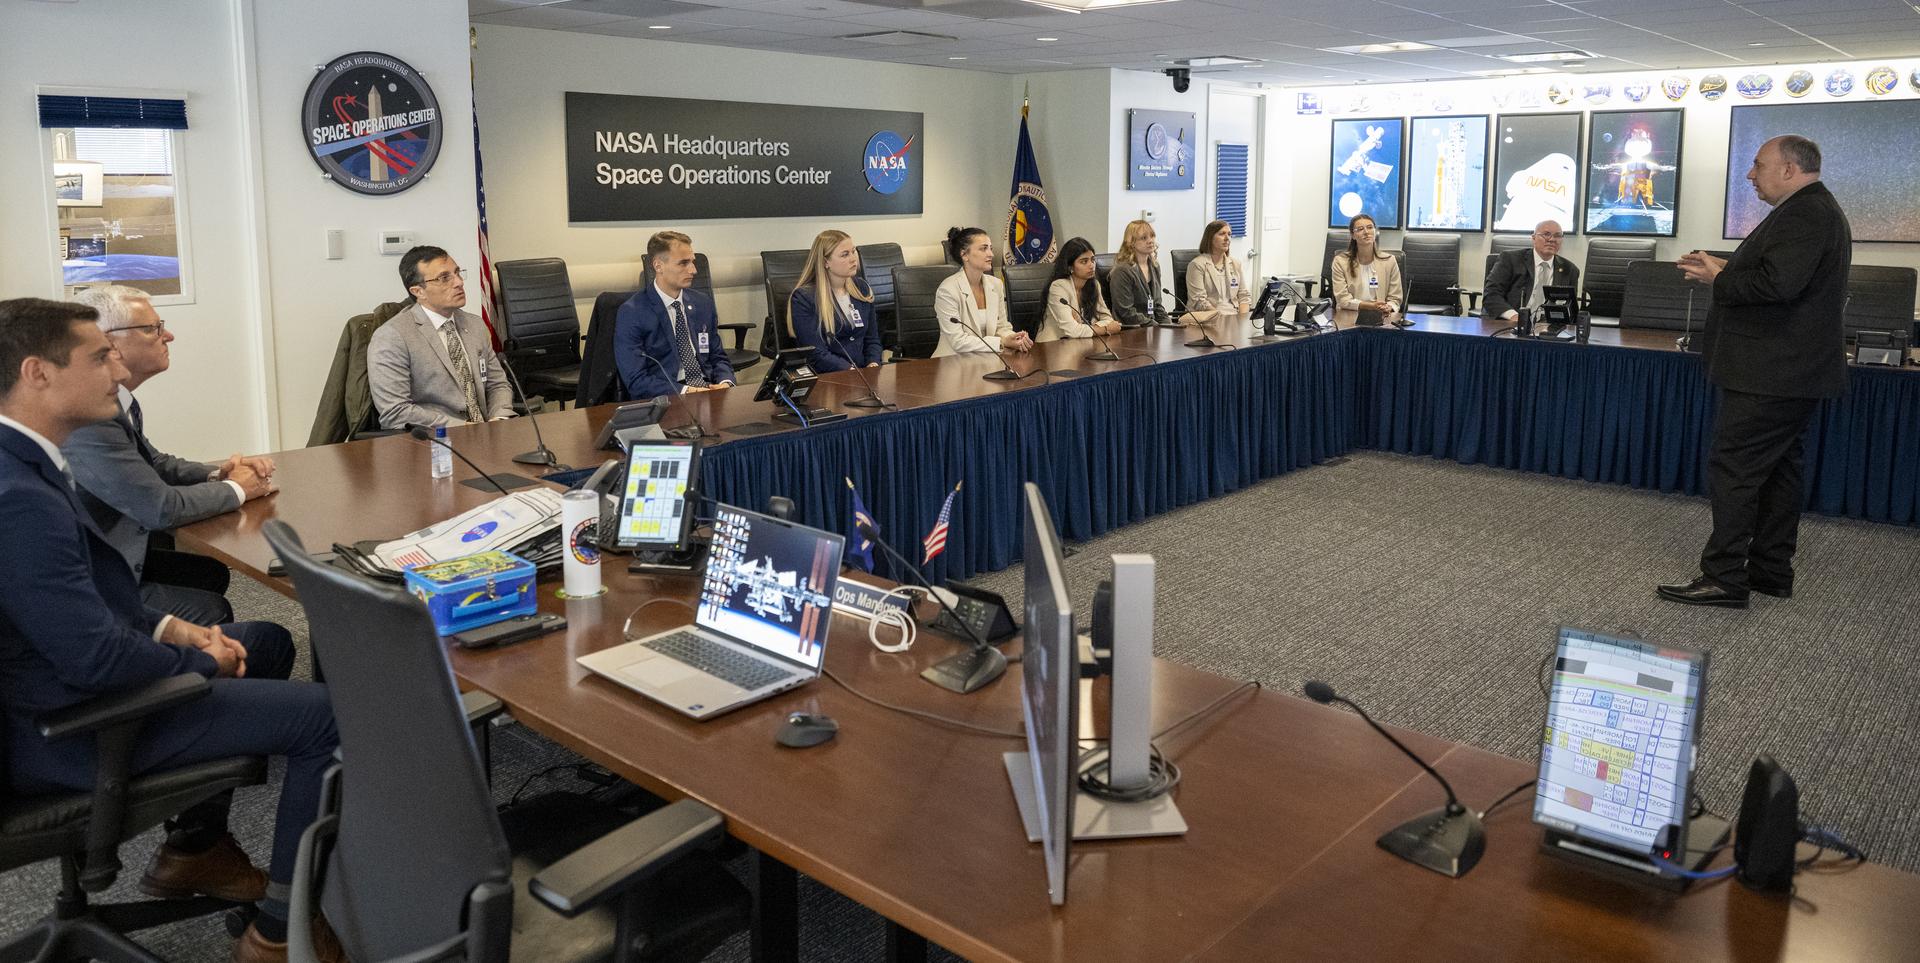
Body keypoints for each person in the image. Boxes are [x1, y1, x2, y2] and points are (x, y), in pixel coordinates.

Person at [0, 298, 340, 963]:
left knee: (265, 640)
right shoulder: (18, 496)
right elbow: (94, 658)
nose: (113, 366)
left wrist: (179, 633)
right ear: (38, 373)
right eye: (98, 356)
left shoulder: (28, 459)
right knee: (325, 717)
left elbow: (88, 594)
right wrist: (202, 664)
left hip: (57, 690)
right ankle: (277, 932)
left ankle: (197, 846)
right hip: (64, 727)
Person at [1658, 135, 1852, 609]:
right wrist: (1725, 267)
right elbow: (1783, 277)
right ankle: (1770, 570)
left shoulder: (1806, 212)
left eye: (1757, 165)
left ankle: (1724, 576)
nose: (1750, 174)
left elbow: (1777, 286)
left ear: (1789, 169)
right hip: (1789, 372)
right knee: (1780, 472)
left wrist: (1719, 277)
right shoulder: (1812, 209)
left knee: (1736, 472)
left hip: (1772, 372)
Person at [62, 286, 276, 625]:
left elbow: (154, 463)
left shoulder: (116, 399)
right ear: (107, 343)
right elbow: (160, 508)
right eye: (153, 328)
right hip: (89, 578)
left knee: (209, 573)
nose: (168, 336)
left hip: (106, 548)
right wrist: (238, 489)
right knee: (226, 617)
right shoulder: (90, 417)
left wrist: (218, 474)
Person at [367, 245, 515, 430]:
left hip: (485, 434)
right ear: (418, 291)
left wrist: (499, 418)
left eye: (457, 273)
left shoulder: (475, 325)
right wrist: (464, 428)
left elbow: (497, 384)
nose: (459, 282)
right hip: (434, 442)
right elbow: (395, 411)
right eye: (445, 278)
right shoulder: (392, 336)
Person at [615, 230, 736, 399]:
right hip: (668, 396)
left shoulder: (702, 303)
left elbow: (717, 357)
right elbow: (637, 380)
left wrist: (725, 382)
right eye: (683, 263)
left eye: (692, 262)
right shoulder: (633, 312)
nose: (693, 270)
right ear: (658, 266)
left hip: (708, 389)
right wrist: (687, 391)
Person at [788, 229, 882, 372]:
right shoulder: (804, 298)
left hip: (864, 373)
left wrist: (873, 363)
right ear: (826, 262)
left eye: (853, 251)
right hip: (830, 376)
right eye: (845, 254)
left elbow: (872, 339)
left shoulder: (862, 289)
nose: (853, 259)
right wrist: (851, 371)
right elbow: (817, 353)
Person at [934, 226, 1031, 356]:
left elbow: (1002, 326)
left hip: (986, 358)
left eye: (990, 248)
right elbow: (958, 341)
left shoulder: (995, 285)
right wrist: (1001, 342)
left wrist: (1012, 338)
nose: (991, 254)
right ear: (964, 254)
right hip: (952, 361)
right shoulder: (947, 290)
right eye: (983, 249)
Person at [1482, 220, 1579, 324]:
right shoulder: (1510, 259)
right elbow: (1491, 294)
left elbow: (1570, 308)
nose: (1552, 239)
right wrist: (1514, 316)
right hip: (1508, 322)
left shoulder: (1570, 270)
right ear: (1534, 238)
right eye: (1546, 234)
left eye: (1558, 236)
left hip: (1548, 327)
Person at [1040, 237, 1120, 342]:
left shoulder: (1094, 284)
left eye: (1092, 260)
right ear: (1070, 267)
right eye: (1084, 261)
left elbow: (1108, 319)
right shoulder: (1058, 287)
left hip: (1080, 344)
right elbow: (1073, 331)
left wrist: (1088, 328)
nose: (1091, 265)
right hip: (1053, 346)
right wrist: (1105, 329)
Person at [1328, 214, 1404, 323]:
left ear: (1375, 231)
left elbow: (1395, 298)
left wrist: (1389, 306)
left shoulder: (1389, 261)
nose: (1366, 232)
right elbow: (1343, 300)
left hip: (1381, 316)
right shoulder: (1340, 262)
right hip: (1350, 316)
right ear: (1353, 235)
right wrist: (1370, 306)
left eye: (1370, 227)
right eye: (1360, 229)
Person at [1185, 219, 1252, 325]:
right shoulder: (1197, 265)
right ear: (1210, 238)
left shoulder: (1235, 264)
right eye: (1222, 234)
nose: (1227, 238)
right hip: (1209, 319)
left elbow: (1244, 296)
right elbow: (1199, 301)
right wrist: (1222, 319)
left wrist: (1242, 319)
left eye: (1229, 234)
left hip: (1234, 318)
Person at [1109, 219, 1169, 328]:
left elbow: (1157, 305)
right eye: (1144, 238)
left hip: (1150, 329)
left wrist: (1170, 326)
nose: (1150, 241)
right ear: (1131, 242)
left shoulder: (1154, 266)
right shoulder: (1122, 271)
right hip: (1131, 331)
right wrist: (1156, 327)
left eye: (1152, 236)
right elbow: (1126, 312)